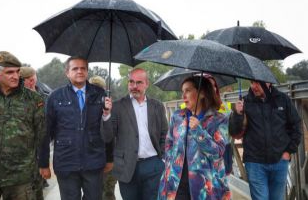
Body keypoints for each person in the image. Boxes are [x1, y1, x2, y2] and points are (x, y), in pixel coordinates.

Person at [39, 56, 106, 200]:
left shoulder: (100, 95)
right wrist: (43, 163)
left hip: (93, 161)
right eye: (75, 68)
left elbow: (106, 129)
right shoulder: (55, 97)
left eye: (83, 68)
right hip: (66, 162)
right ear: (67, 73)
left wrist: (110, 157)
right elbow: (46, 132)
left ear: (87, 72)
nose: (80, 71)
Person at [158, 76, 231, 200]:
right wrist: (170, 163)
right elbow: (169, 143)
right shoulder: (177, 116)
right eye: (182, 91)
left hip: (205, 187)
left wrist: (199, 131)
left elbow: (218, 153)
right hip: (176, 183)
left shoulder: (219, 119)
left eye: (188, 90)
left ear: (201, 93)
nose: (183, 95)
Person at [102, 68, 168, 200]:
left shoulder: (157, 106)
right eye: (131, 82)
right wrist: (106, 114)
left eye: (139, 82)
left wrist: (162, 159)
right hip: (126, 168)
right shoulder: (117, 106)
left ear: (146, 84)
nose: (134, 86)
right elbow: (107, 136)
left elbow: (164, 134)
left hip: (153, 166)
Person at [229, 81, 301, 200]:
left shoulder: (283, 99)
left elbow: (296, 126)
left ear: (268, 83)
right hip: (255, 163)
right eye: (252, 82)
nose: (253, 86)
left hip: (280, 161)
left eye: (258, 83)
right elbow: (234, 133)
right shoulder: (245, 102)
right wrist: (237, 113)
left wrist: (289, 151)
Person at [0, 51, 45, 200]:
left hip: (21, 176)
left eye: (17, 71)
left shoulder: (33, 99)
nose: (15, 76)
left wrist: (43, 165)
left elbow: (42, 135)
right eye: (9, 72)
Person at [89, 75, 117, 200]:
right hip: (91, 159)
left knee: (107, 193)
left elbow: (111, 136)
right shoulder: (87, 105)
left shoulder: (109, 107)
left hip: (106, 158)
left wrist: (110, 159)